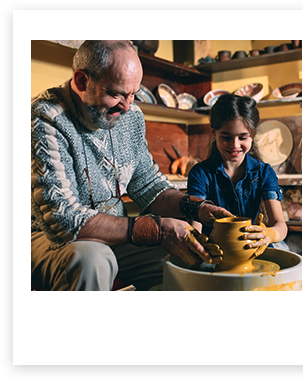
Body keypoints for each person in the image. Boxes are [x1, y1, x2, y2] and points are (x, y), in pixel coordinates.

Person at [31, 40, 232, 291]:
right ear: (82, 81)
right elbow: (64, 220)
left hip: (115, 237)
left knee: (197, 257)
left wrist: (197, 208)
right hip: (48, 239)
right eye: (116, 94)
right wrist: (157, 230)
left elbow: (149, 185)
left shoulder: (131, 116)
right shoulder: (46, 117)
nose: (127, 106)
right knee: (93, 259)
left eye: (133, 94)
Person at [187, 94, 287, 255]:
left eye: (243, 137)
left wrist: (268, 234)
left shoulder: (264, 172)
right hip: (215, 252)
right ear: (214, 134)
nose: (235, 145)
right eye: (226, 137)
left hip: (254, 249)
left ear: (252, 135)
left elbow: (280, 225)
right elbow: (195, 227)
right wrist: (197, 243)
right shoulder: (200, 173)